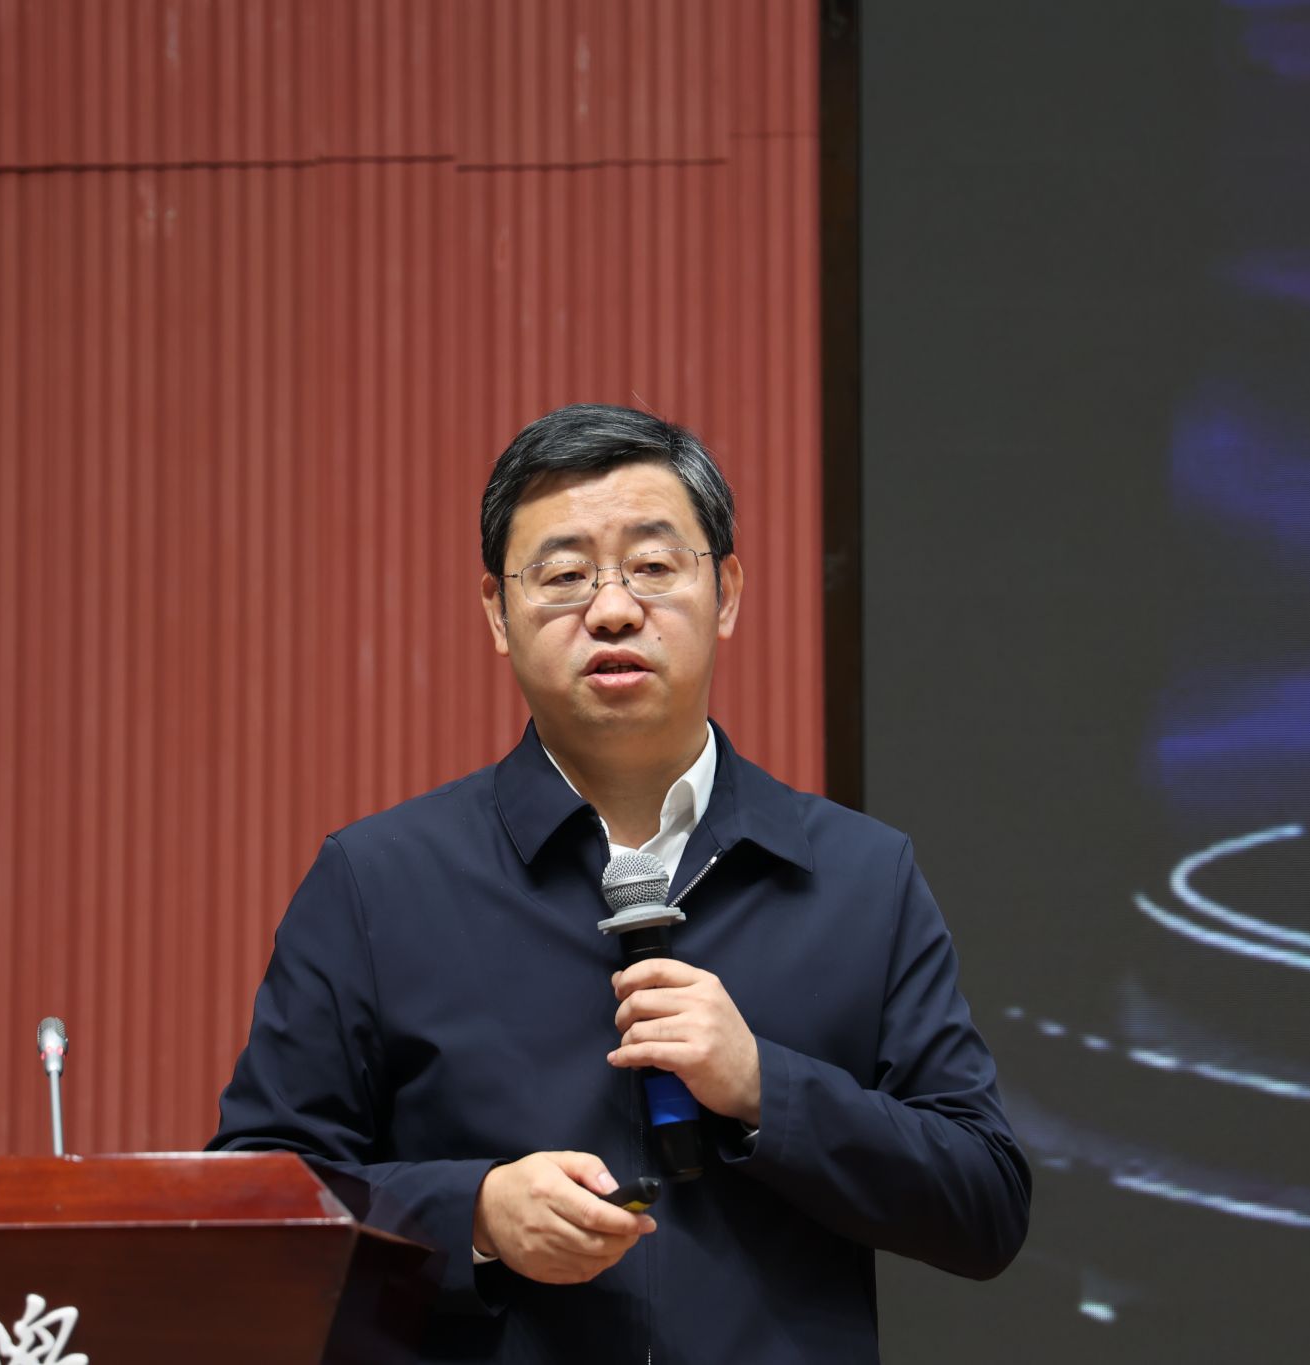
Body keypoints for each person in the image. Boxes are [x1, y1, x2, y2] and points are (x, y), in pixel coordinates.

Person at [210, 404, 1030, 1362]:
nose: (611, 609)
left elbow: (985, 1202)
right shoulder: (378, 880)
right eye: (564, 576)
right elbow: (253, 1200)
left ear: (725, 592)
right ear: (498, 612)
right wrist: (474, 1211)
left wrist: (766, 1086)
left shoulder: (861, 876)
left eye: (652, 565)